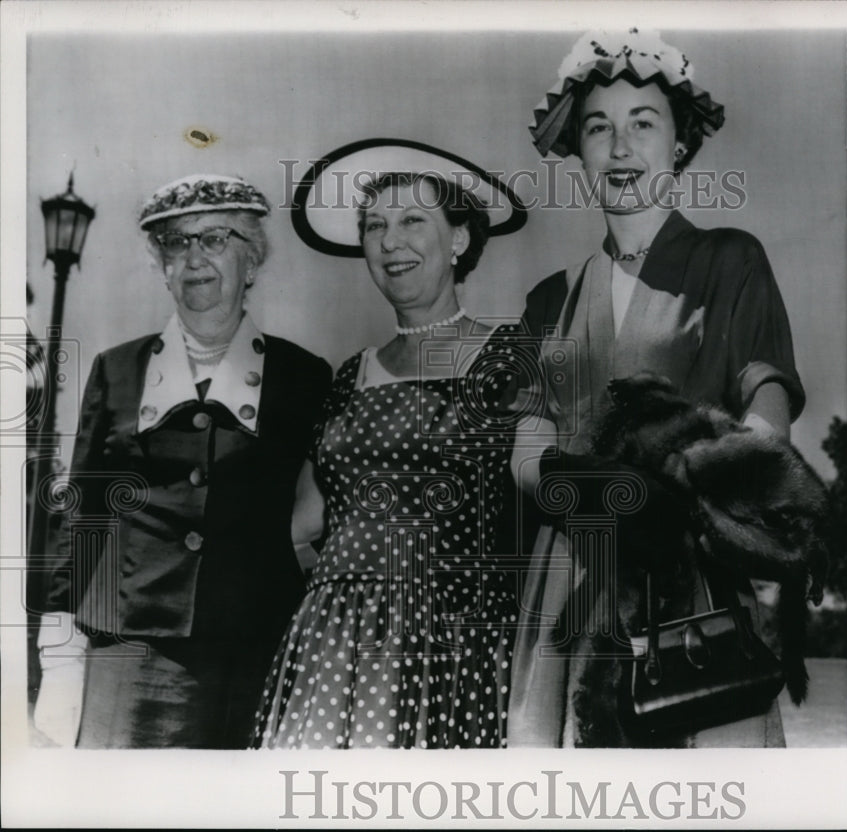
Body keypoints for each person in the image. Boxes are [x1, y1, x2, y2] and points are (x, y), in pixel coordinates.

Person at [508, 30, 806, 747]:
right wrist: (585, 487)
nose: (620, 148)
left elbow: (769, 416)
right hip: (572, 574)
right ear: (577, 150)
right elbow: (526, 449)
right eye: (598, 128)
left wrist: (688, 497)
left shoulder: (728, 259)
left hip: (686, 570)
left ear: (678, 145)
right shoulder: (550, 297)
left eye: (643, 124)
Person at [33, 174, 332, 748]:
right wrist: (60, 656)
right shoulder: (116, 369)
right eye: (176, 243)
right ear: (162, 265)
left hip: (254, 650)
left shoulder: (303, 377)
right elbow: (84, 516)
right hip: (128, 648)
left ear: (252, 260)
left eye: (216, 239)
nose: (194, 258)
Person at [254, 148, 528, 749]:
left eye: (411, 221)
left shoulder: (510, 356)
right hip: (333, 643)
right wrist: (340, 594)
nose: (388, 241)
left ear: (459, 239)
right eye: (374, 225)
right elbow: (304, 523)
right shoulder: (351, 373)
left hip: (452, 641)